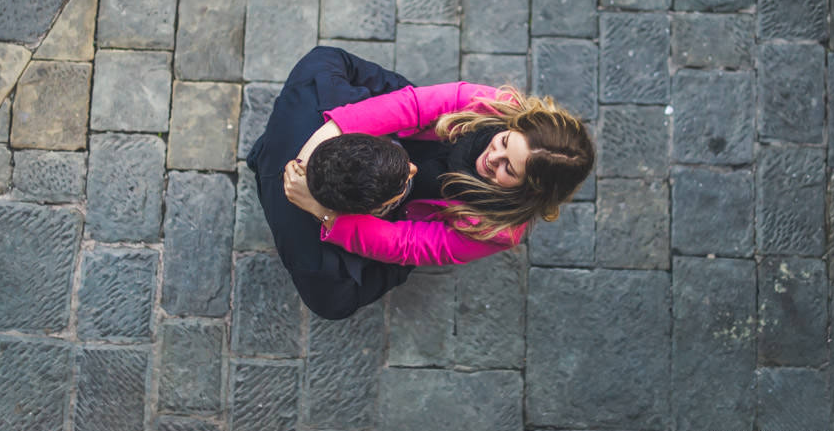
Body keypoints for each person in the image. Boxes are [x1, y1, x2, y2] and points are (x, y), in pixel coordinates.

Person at [283, 72, 595, 269]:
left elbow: (406, 244)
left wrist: (324, 212)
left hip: (398, 211)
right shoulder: (492, 104)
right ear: (513, 126)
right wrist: (315, 149)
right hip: (398, 136)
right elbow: (413, 107)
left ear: (529, 190)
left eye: (507, 169)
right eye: (503, 142)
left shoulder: (496, 231)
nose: (492, 157)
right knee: (324, 71)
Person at [246, 46, 418, 320]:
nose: (414, 168)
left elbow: (326, 55)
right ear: (362, 212)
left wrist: (402, 98)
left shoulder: (316, 89)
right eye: (398, 192)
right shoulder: (311, 257)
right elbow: (335, 305)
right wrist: (405, 257)